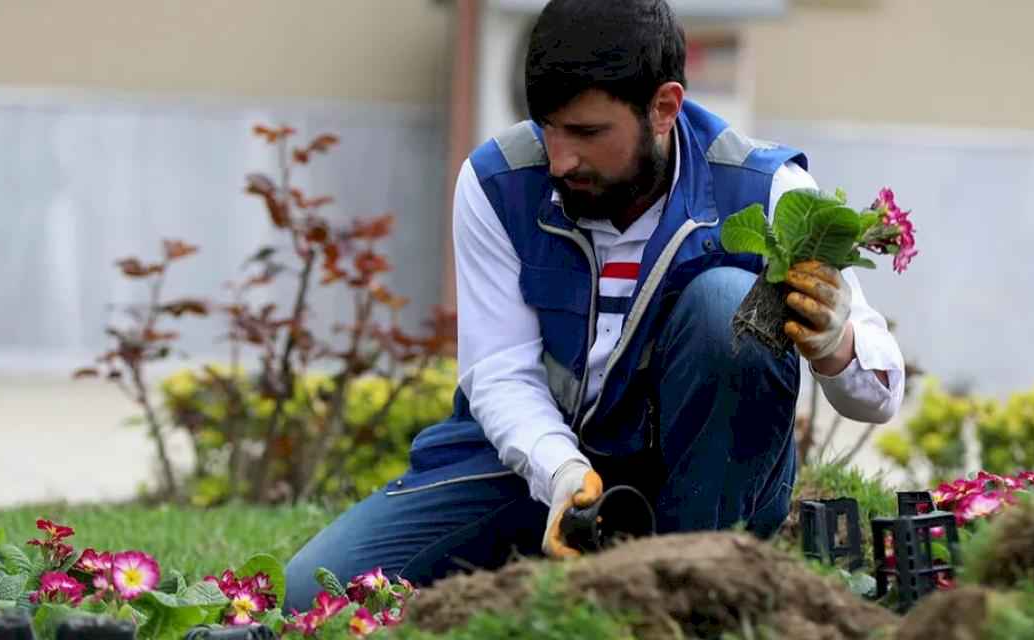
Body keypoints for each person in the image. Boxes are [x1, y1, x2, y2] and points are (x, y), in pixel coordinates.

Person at [282, 0, 905, 610]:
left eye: (586, 132)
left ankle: (693, 591)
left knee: (726, 302)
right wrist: (560, 473)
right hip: (534, 471)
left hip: (692, 484)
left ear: (664, 108)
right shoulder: (497, 182)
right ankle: (560, 567)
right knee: (312, 592)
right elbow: (499, 373)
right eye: (547, 127)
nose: (559, 159)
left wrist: (835, 345)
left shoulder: (766, 190)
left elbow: (879, 394)